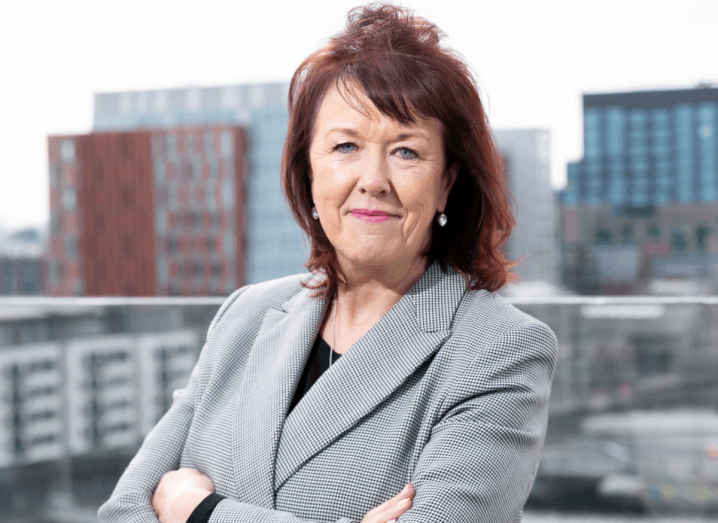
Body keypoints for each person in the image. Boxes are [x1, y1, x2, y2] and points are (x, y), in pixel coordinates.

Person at [98, 3, 557, 523]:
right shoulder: (246, 315)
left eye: (406, 152)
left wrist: (201, 511)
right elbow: (122, 512)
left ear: (447, 183)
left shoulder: (500, 349)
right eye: (345, 146)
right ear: (309, 172)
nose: (373, 179)